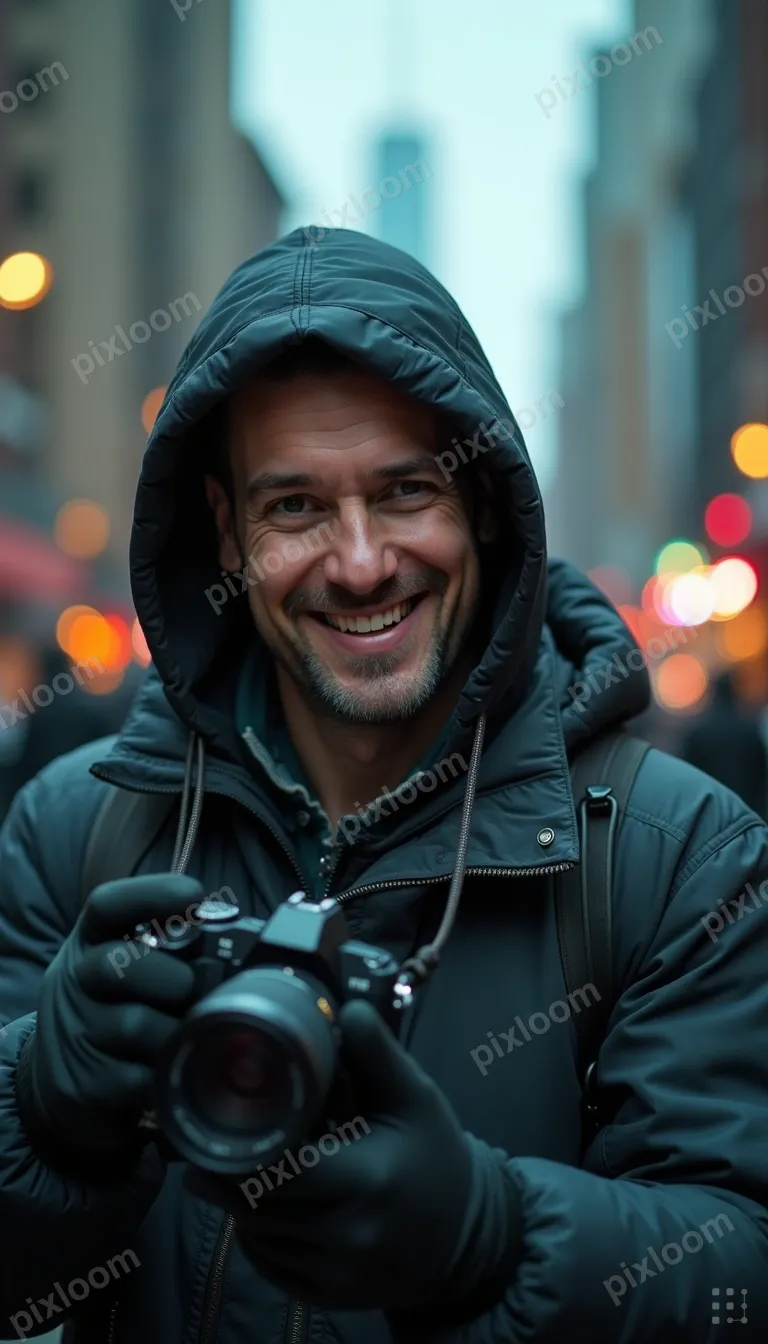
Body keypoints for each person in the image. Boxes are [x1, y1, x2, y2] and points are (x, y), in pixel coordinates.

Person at [1, 228, 767, 1344]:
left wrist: (493, 1244)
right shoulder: (74, 830)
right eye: (295, 508)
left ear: (485, 503)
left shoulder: (680, 858)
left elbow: (742, 1276)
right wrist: (38, 1106)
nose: (360, 563)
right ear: (226, 534)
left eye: (407, 491)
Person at [679, 670, 768, 819]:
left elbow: (689, 772)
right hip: (747, 807)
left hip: (712, 808)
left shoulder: (701, 732)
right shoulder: (749, 729)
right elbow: (761, 774)